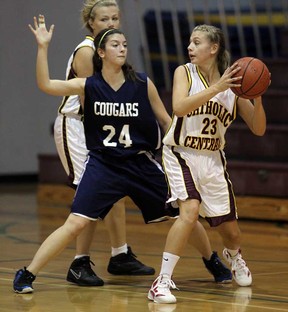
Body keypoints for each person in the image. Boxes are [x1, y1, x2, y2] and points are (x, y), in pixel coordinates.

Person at [14, 17, 230, 294]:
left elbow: (167, 120)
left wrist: (179, 155)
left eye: (125, 44)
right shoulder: (88, 85)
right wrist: (42, 47)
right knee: (76, 222)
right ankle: (27, 273)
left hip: (140, 163)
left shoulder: (142, 83)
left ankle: (211, 260)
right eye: (115, 44)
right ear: (101, 53)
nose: (122, 48)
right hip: (104, 166)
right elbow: (45, 84)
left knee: (183, 214)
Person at [148, 24, 269, 304]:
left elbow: (259, 129)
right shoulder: (184, 73)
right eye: (190, 42)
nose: (190, 47)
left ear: (213, 48)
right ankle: (161, 282)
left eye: (196, 42)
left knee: (231, 231)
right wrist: (217, 87)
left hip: (213, 158)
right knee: (189, 211)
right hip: (181, 153)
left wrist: (258, 98)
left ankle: (234, 256)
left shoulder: (235, 88)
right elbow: (179, 107)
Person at [54, 0, 155, 286]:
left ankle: (120, 254)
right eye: (103, 20)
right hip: (79, 125)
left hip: (100, 128)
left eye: (114, 18)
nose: (110, 24)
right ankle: (79, 262)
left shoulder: (110, 49)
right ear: (91, 23)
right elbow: (96, 101)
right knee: (90, 195)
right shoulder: (88, 52)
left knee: (116, 188)